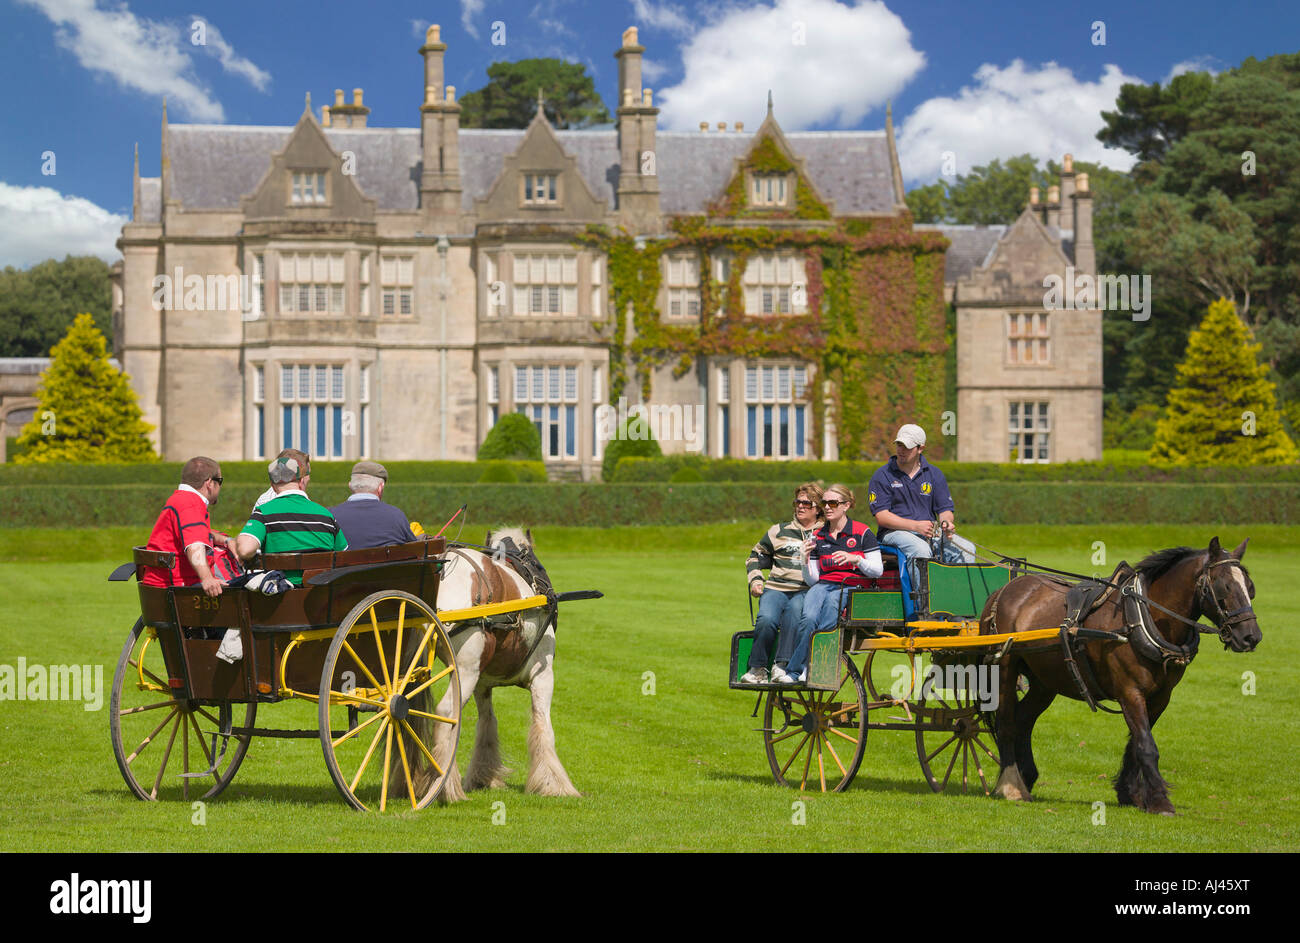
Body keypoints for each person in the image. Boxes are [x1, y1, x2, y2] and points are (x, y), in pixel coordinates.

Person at [776, 484, 882, 685]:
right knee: (808, 619)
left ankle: (814, 665)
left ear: (846, 505)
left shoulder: (862, 532)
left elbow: (877, 570)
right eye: (824, 503)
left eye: (833, 503)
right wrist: (804, 559)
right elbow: (813, 579)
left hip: (852, 585)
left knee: (831, 608)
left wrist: (855, 559)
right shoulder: (818, 536)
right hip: (823, 585)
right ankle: (795, 670)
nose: (827, 507)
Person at [868, 423, 975, 590]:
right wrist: (915, 526)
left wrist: (946, 523)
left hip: (928, 531)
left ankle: (958, 607)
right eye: (899, 445)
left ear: (920, 448)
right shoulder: (882, 475)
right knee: (920, 550)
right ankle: (924, 607)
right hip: (893, 533)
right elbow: (881, 517)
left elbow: (945, 509)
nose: (901, 450)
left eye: (907, 447)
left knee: (968, 549)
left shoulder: (934, 474)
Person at [739, 482, 825, 684]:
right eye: (798, 502)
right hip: (775, 588)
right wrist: (756, 580)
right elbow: (755, 557)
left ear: (818, 508)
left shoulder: (825, 533)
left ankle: (782, 665)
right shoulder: (778, 530)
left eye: (807, 503)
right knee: (766, 619)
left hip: (806, 590)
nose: (801, 506)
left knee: (794, 614)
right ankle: (757, 669)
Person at [236, 453, 347, 585]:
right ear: (301, 481)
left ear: (272, 485)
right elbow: (343, 556)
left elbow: (245, 549)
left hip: (280, 598)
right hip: (322, 594)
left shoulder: (263, 512)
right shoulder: (326, 515)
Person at [141, 456, 233, 597]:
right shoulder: (190, 504)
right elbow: (194, 544)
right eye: (220, 481)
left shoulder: (181, 499)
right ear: (209, 483)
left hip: (167, 585)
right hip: (177, 590)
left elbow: (199, 533)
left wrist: (227, 540)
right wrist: (207, 578)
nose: (220, 486)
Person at [328, 461, 417, 549]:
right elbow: (414, 549)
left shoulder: (329, 516)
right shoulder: (396, 515)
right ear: (380, 487)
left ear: (350, 486)